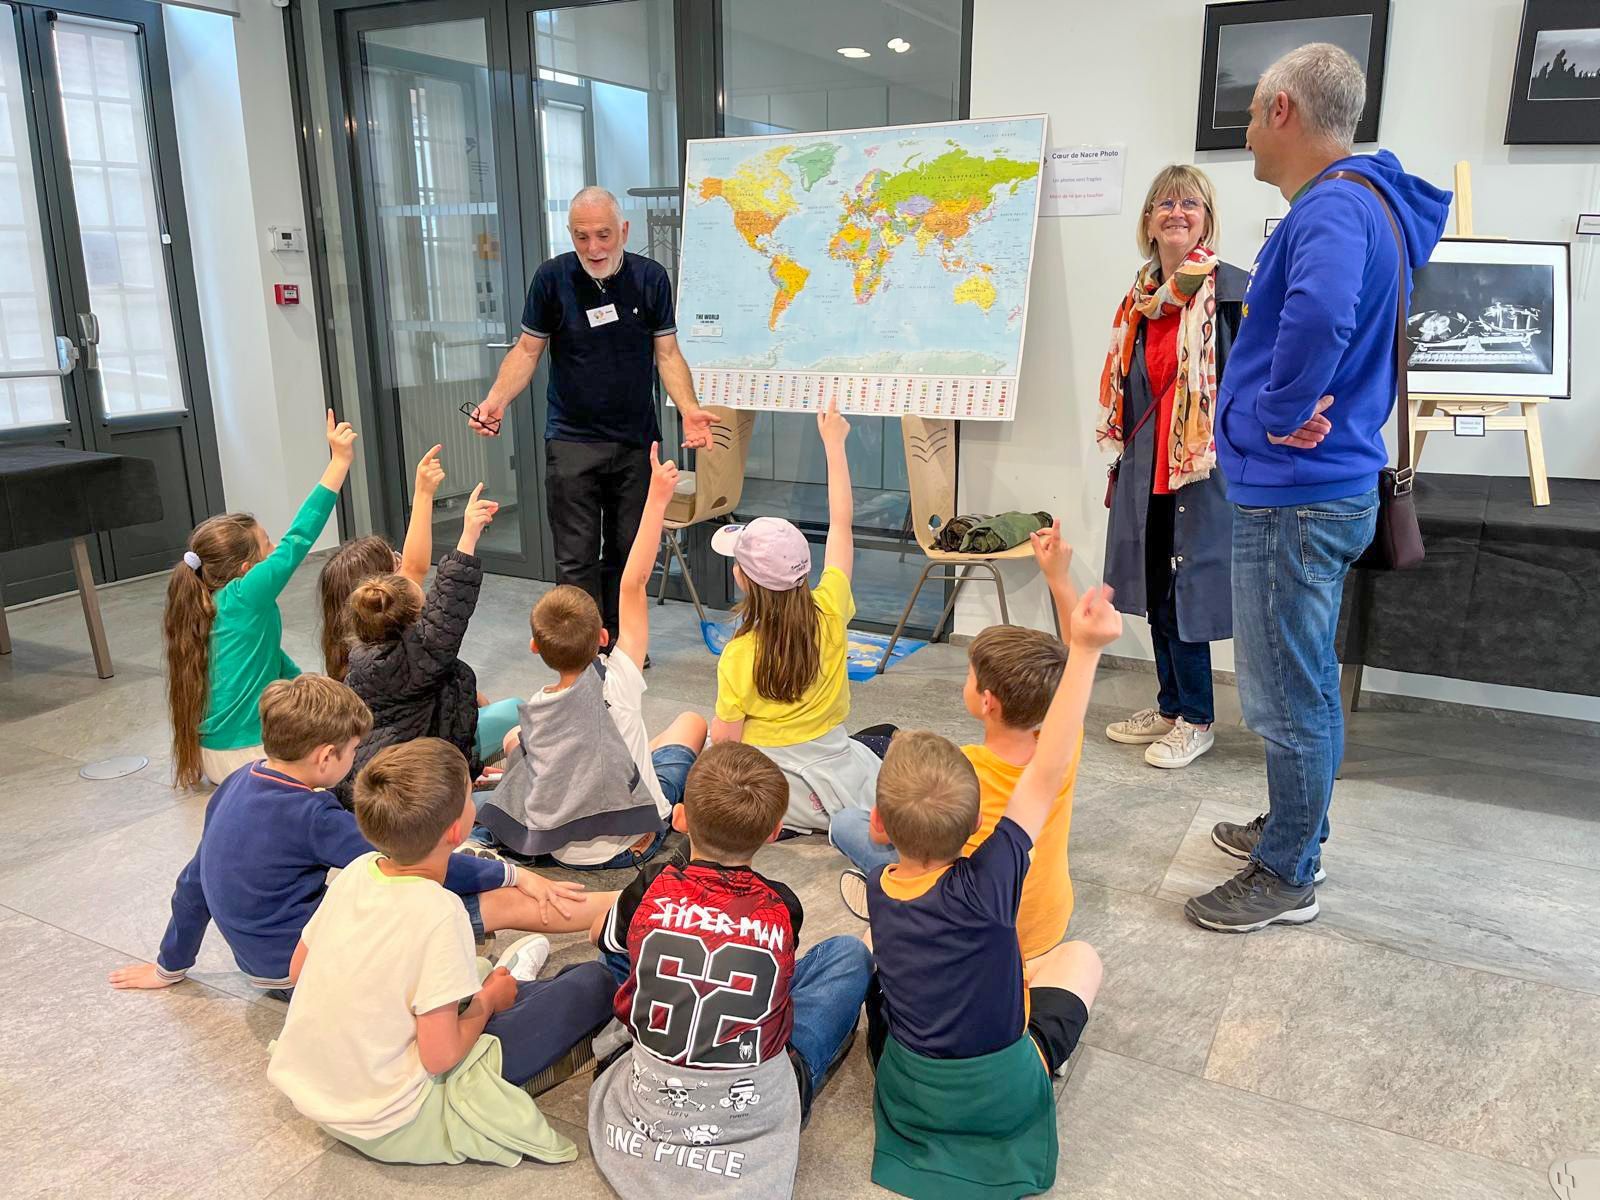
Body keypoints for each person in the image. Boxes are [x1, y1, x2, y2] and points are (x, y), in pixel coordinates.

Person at [1188, 43, 1449, 932]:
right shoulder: (1369, 201)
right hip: (1320, 486)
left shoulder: (1334, 206)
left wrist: (1275, 411)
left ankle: (1288, 870)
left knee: (1286, 693)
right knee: (1303, 679)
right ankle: (1296, 827)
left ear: (1284, 111)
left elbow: (1323, 312)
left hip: (1295, 492)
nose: (1247, 134)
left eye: (1252, 115)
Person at [861, 585, 1121, 1199]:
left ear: (881, 826)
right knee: (1083, 958)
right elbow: (1047, 769)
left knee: (871, 957)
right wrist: (1084, 648)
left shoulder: (878, 886)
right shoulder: (996, 878)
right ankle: (1045, 1059)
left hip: (909, 1091)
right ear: (980, 823)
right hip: (1006, 1094)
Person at [109, 676, 604, 997]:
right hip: (309, 974)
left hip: (263, 967)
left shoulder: (238, 782)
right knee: (499, 898)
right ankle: (625, 910)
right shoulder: (311, 814)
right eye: (351, 751)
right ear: (326, 757)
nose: (353, 759)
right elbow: (411, 859)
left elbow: (191, 885)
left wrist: (170, 965)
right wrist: (513, 874)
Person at [267, 738, 618, 1167]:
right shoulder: (439, 911)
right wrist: (487, 1003)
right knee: (592, 982)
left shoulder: (357, 872)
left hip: (323, 1098)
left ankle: (507, 984)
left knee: (484, 978)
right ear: (456, 830)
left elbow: (298, 970)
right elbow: (440, 1057)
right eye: (470, 798)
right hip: (396, 1121)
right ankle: (509, 989)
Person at [587, 741, 874, 1198]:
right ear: (774, 832)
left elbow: (601, 940)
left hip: (650, 1091)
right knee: (848, 955)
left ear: (681, 819)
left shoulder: (651, 884)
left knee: (620, 942)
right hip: (756, 1101)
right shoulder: (783, 905)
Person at [469, 185, 718, 649]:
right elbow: (527, 350)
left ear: (623, 230)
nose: (594, 248)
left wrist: (688, 409)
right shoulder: (552, 278)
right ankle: (582, 652)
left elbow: (667, 354)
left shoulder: (650, 278)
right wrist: (496, 400)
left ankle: (621, 646)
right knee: (575, 558)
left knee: (629, 553)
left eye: (603, 235)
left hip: (635, 442)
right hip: (571, 441)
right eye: (581, 236)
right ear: (571, 235)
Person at [832, 521, 1083, 965]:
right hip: (1046, 929)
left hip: (967, 928)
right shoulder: (1062, 750)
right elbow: (1077, 670)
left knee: (847, 823)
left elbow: (886, 832)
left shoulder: (961, 770)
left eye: (969, 675)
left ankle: (890, 897)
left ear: (987, 701)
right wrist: (1059, 580)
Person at [468, 442, 708, 869]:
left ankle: (487, 835)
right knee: (691, 724)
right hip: (629, 845)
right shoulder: (619, 680)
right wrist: (657, 499)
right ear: (603, 637)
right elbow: (633, 584)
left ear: (535, 647)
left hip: (562, 848)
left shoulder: (538, 707)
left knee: (514, 741)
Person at [1097, 164, 1247, 770]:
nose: (1177, 212)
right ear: (1149, 220)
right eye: (1165, 203)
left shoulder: (1232, 292)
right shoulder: (1139, 301)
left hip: (1201, 473)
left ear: (1207, 219)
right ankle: (1168, 706)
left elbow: (1249, 384)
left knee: (1189, 597)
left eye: (1190, 203)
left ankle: (1198, 718)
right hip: (1146, 471)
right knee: (1157, 590)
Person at [711, 402, 889, 833]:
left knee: (702, 735)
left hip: (773, 793)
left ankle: (788, 820)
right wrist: (834, 445)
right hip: (836, 776)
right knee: (887, 735)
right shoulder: (831, 609)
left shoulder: (739, 654)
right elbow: (841, 525)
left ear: (743, 579)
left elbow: (726, 746)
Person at [164, 410, 356, 788]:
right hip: (249, 756)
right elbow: (298, 539)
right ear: (247, 569)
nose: (274, 549)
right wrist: (339, 463)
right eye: (267, 544)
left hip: (214, 758)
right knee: (345, 757)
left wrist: (319, 691)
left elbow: (270, 660)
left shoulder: (206, 602)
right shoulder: (245, 595)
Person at [336, 481, 518, 807]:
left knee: (512, 712)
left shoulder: (365, 657)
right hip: (416, 789)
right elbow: (449, 607)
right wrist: (469, 535)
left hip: (398, 766)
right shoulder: (417, 655)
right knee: (506, 800)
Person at [318, 444, 445, 682]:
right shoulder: (397, 654)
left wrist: (423, 493)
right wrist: (423, 493)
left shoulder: (348, 667)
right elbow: (414, 568)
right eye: (396, 562)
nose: (403, 562)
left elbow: (413, 569)